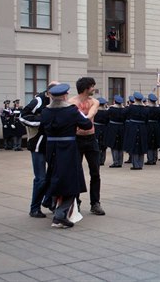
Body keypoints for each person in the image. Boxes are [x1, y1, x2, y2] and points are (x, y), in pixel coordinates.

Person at [41, 83, 92, 228]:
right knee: (72, 182)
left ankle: (51, 203)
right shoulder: (71, 110)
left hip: (51, 148)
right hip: (68, 148)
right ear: (64, 96)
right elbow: (87, 125)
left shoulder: (45, 111)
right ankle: (60, 214)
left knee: (54, 177)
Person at [20, 81, 58, 218]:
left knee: (54, 177)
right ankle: (34, 208)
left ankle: (48, 201)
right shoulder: (38, 100)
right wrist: (42, 121)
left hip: (54, 145)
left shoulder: (59, 102)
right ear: (48, 93)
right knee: (41, 178)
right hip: (38, 145)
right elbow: (22, 116)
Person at [68, 77, 105, 216]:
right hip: (76, 139)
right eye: (92, 86)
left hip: (91, 139)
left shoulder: (94, 101)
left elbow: (92, 113)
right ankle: (75, 202)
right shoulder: (71, 102)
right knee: (76, 172)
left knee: (95, 172)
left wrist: (84, 118)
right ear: (86, 88)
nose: (94, 89)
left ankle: (95, 203)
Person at [123, 92, 149, 169]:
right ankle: (140, 164)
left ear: (135, 99)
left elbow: (124, 113)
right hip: (142, 127)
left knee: (134, 145)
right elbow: (147, 119)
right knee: (141, 145)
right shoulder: (145, 108)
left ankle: (135, 165)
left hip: (133, 127)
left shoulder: (131, 107)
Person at [106, 95, 126, 167]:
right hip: (121, 128)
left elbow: (106, 117)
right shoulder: (124, 110)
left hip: (113, 128)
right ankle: (120, 161)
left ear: (114, 101)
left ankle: (115, 161)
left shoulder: (111, 109)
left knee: (114, 145)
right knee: (120, 145)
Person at [146, 94, 160, 165]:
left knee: (149, 142)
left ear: (149, 100)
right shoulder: (158, 109)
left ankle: (150, 159)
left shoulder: (147, 109)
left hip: (149, 126)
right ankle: (155, 158)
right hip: (156, 126)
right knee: (155, 143)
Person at [94, 97, 109, 165]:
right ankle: (102, 160)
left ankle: (97, 159)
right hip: (104, 129)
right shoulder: (106, 112)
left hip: (96, 128)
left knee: (97, 144)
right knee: (103, 145)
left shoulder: (95, 111)